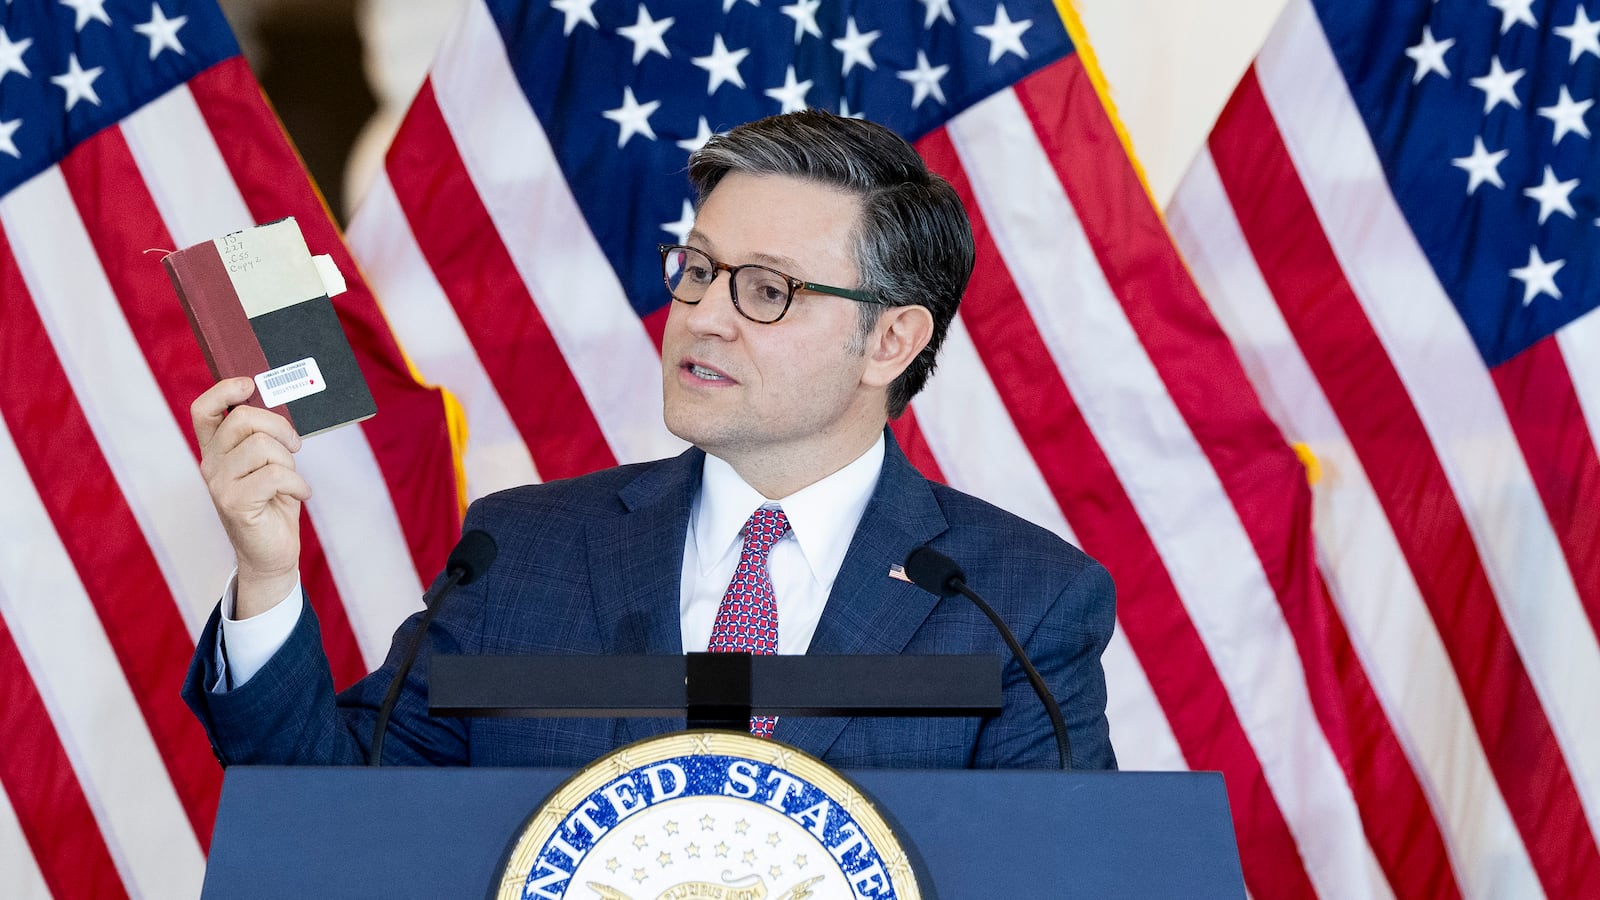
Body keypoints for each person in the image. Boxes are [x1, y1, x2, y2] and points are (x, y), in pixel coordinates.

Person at [182, 109, 1117, 770]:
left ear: (891, 341)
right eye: (699, 270)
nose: (704, 317)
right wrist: (266, 578)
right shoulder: (519, 554)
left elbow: (1059, 875)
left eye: (766, 289)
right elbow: (340, 819)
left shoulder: (1018, 604)